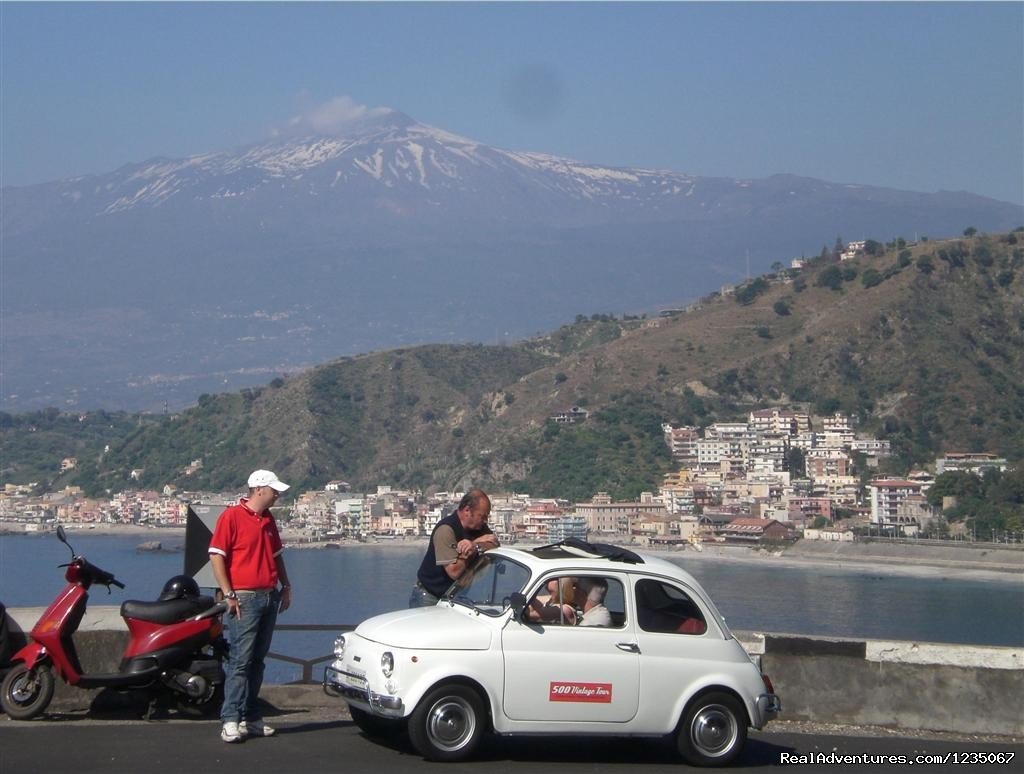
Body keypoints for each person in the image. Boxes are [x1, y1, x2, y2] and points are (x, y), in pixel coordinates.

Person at [209, 469, 293, 744]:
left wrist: (286, 586)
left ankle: (250, 716)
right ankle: (230, 719)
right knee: (240, 661)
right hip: (244, 597)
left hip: (269, 595)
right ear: (259, 489)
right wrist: (229, 594)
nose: (277, 494)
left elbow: (277, 555)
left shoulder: (268, 520)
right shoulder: (231, 517)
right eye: (273, 490)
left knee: (257, 661)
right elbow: (217, 556)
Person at [409, 489, 499, 607]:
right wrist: (475, 544)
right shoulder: (445, 530)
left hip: (454, 596)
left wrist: (475, 546)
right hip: (429, 597)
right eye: (482, 516)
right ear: (467, 510)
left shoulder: (478, 527)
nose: (485, 521)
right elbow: (454, 572)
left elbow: (495, 544)